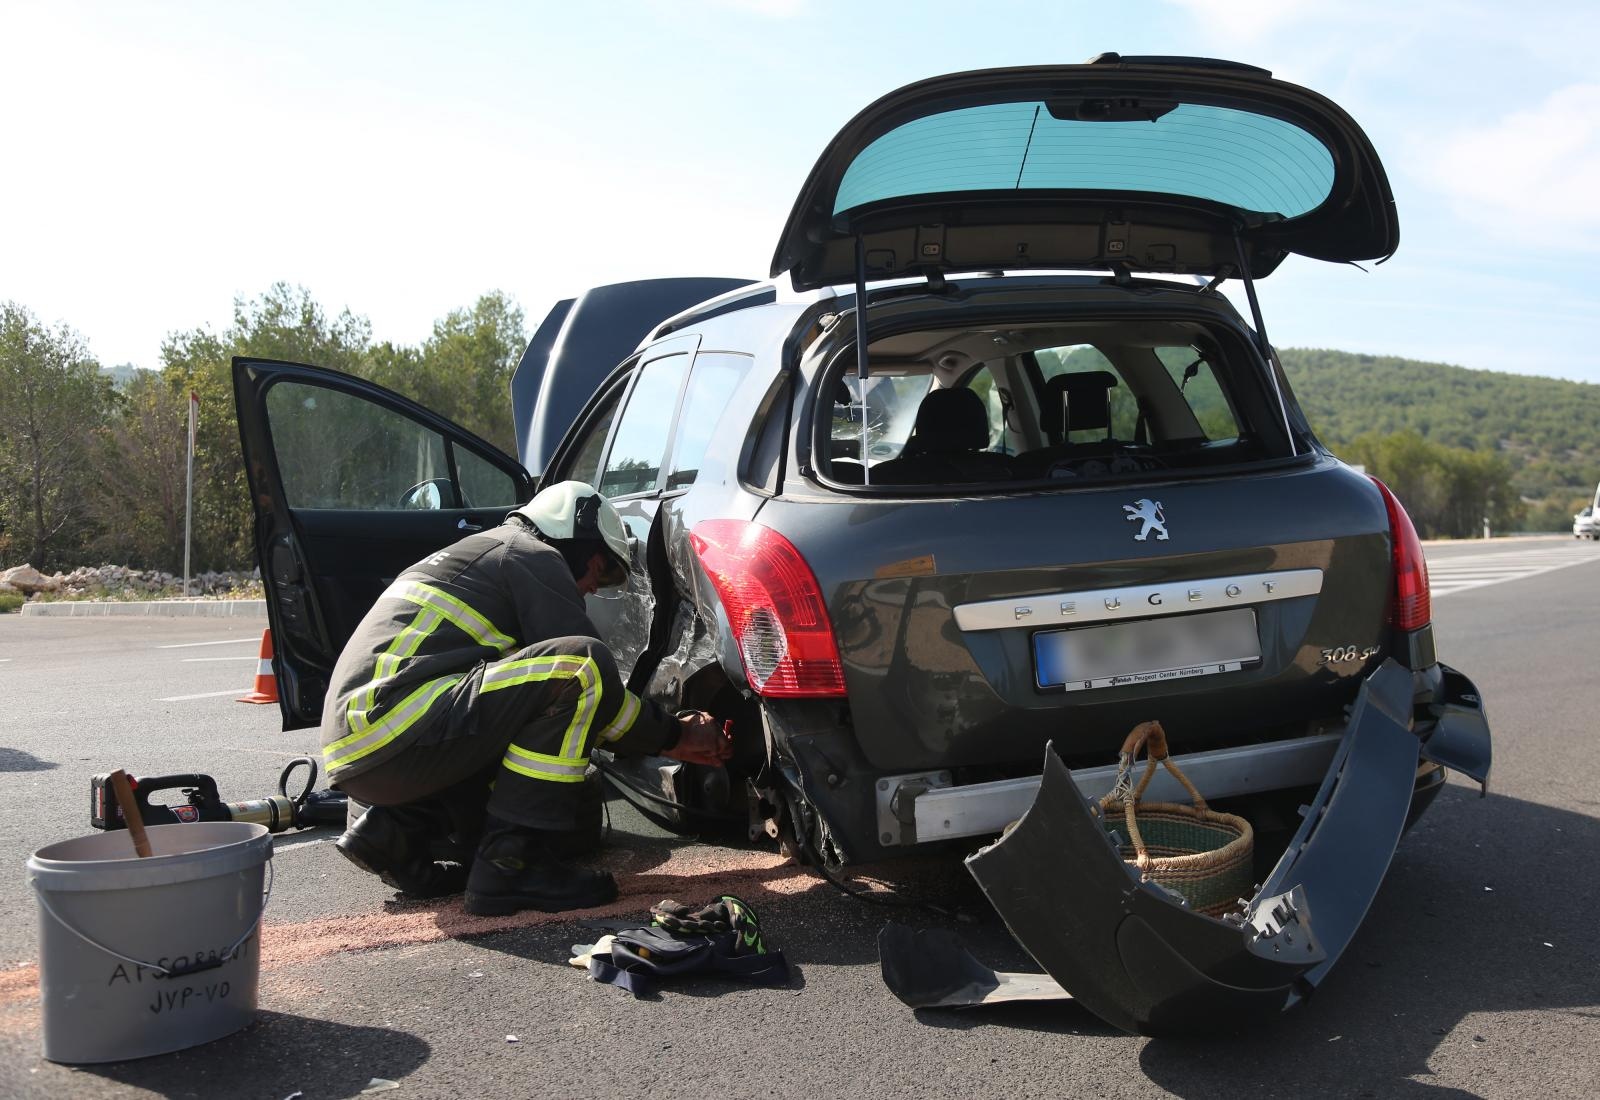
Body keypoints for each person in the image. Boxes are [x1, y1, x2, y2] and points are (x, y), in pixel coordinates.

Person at [323, 480, 731, 916]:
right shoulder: (530, 555)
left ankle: (395, 832)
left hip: (366, 750)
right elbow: (596, 693)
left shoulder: (480, 554)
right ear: (578, 543)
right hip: (398, 727)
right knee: (583, 663)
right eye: (598, 572)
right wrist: (674, 733)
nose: (591, 590)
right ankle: (512, 865)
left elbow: (512, 706)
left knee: (521, 705)